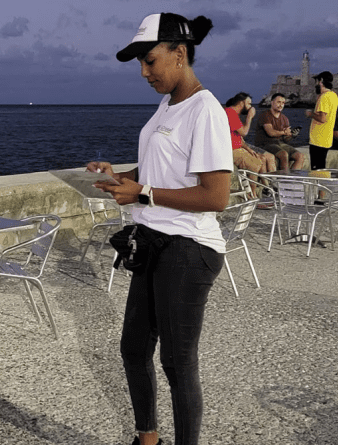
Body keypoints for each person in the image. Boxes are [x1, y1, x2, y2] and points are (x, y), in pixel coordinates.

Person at [88, 13, 232, 445]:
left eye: (150, 61)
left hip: (188, 248)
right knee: (133, 349)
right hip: (154, 242)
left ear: (179, 54)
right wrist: (123, 177)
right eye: (141, 64)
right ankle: (147, 439)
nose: (145, 72)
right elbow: (159, 170)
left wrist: (144, 193)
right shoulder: (168, 105)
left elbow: (215, 196)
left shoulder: (205, 109)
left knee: (177, 361)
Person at [225, 92, 274, 198]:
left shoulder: (233, 114)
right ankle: (252, 195)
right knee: (254, 165)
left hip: (238, 147)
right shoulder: (230, 113)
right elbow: (244, 132)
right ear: (242, 103)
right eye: (249, 104)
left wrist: (248, 148)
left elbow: (238, 137)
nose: (250, 107)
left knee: (260, 157)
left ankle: (265, 189)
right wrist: (249, 117)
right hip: (231, 150)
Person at [253, 93, 305, 170]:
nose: (281, 105)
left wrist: (292, 135)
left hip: (280, 143)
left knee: (300, 156)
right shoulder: (265, 115)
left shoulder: (285, 118)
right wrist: (284, 132)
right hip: (265, 144)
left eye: (283, 103)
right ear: (272, 102)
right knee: (284, 154)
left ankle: (292, 179)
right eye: (278, 102)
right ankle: (284, 179)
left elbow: (286, 140)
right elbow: (271, 132)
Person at [306, 71, 338, 170]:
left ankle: (319, 185)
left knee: (317, 169)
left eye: (316, 81)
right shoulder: (333, 95)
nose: (315, 84)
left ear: (321, 81)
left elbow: (322, 118)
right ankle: (322, 184)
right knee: (321, 167)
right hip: (326, 138)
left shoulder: (324, 97)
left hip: (318, 139)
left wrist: (310, 114)